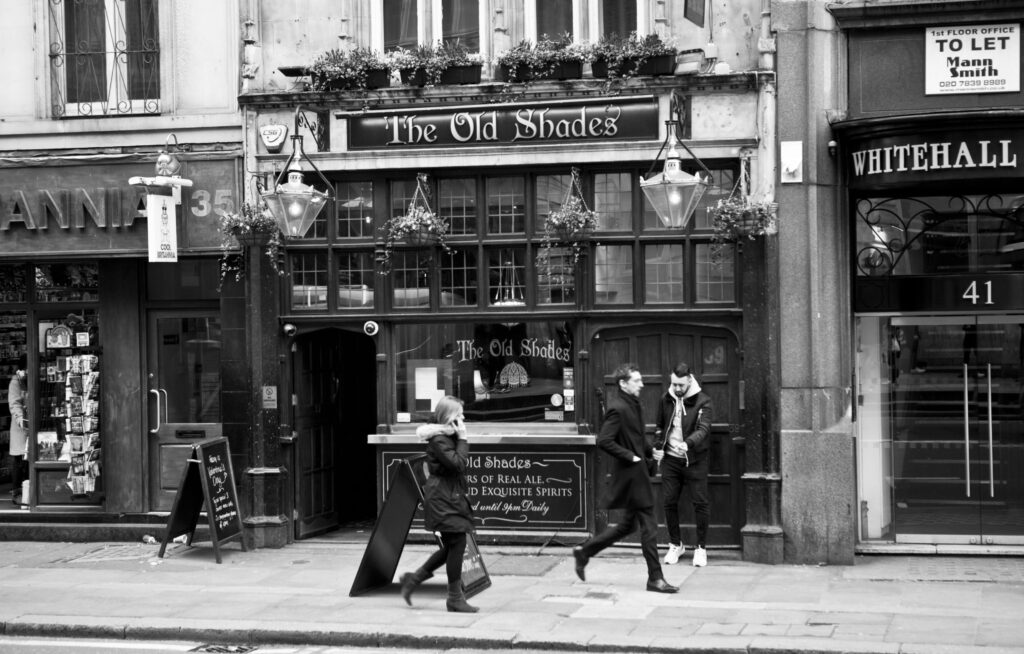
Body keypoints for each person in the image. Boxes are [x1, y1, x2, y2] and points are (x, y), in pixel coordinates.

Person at [572, 363, 678, 594]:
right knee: (649, 528)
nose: (642, 384)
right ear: (623, 383)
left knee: (627, 526)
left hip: (636, 475)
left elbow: (636, 437)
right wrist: (631, 457)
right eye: (636, 381)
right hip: (632, 477)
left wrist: (650, 451)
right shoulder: (617, 408)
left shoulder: (633, 404)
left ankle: (585, 552)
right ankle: (655, 578)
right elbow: (604, 440)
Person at [398, 395, 479, 613]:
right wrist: (463, 439)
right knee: (457, 542)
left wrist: (460, 438)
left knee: (453, 545)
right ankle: (454, 598)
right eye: (459, 414)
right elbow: (458, 464)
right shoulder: (439, 439)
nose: (463, 418)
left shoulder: (446, 436)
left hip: (449, 495)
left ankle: (414, 580)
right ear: (449, 417)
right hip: (443, 497)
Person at [653, 362, 713, 567]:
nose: (677, 388)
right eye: (674, 384)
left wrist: (688, 443)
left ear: (689, 380)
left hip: (694, 459)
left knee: (700, 503)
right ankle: (675, 544)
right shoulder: (666, 398)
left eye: (681, 384)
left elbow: (703, 429)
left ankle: (701, 548)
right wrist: (657, 446)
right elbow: (659, 426)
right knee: (669, 502)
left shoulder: (703, 401)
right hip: (671, 459)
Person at [7, 354, 29, 505]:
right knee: (19, 460)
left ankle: (28, 492)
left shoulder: (29, 380)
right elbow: (14, 403)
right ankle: (17, 493)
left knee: (27, 460)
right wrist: (20, 419)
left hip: (30, 425)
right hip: (21, 427)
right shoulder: (16, 382)